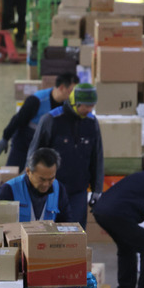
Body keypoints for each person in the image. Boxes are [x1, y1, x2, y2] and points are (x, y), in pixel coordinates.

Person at [27, 82, 103, 228]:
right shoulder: (51, 120)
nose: (89, 109)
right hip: (50, 190)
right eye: (86, 106)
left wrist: (97, 189)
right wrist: (30, 185)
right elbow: (34, 154)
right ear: (75, 102)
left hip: (78, 191)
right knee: (48, 233)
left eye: (92, 106)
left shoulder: (92, 123)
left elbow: (97, 156)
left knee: (76, 234)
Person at [0, 73, 79, 170]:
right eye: (72, 90)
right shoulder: (37, 100)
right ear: (61, 87)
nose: (74, 94)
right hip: (24, 141)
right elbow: (18, 119)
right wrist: (5, 137)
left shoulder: (67, 105)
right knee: (13, 170)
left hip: (45, 143)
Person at [0, 147, 72, 222]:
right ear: (28, 171)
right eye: (42, 179)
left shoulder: (59, 189)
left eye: (51, 179)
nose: (46, 184)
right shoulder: (8, 190)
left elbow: (65, 222)